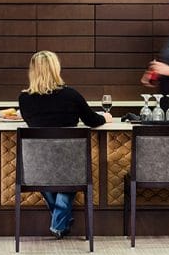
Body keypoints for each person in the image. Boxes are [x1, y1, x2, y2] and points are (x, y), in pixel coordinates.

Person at [18, 50, 111, 239]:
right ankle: (60, 223)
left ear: (33, 71)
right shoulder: (71, 95)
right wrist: (106, 117)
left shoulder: (24, 99)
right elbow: (92, 120)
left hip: (38, 165)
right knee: (70, 173)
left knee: (49, 175)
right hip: (70, 164)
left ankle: (61, 220)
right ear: (56, 68)